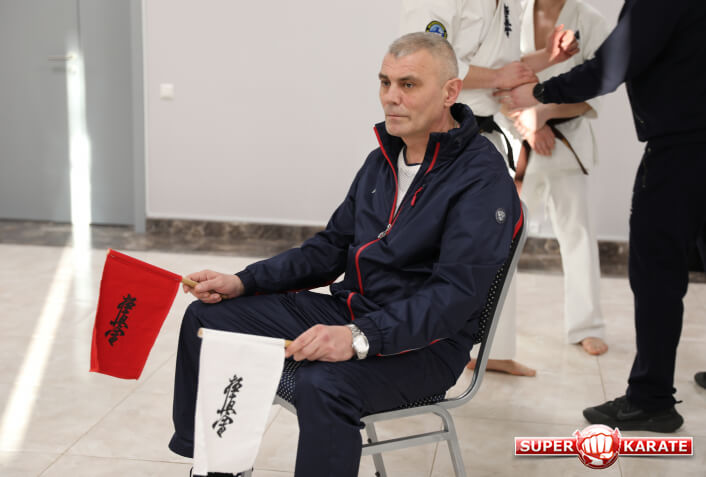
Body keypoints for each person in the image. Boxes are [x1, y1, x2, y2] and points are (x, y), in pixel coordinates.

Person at [169, 32, 522, 476]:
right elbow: (330, 247)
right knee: (207, 319)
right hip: (353, 311)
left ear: (450, 92)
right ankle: (214, 466)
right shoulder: (382, 161)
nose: (391, 97)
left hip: (428, 345)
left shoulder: (481, 177)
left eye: (408, 85)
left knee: (324, 383)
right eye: (385, 82)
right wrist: (243, 281)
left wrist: (358, 337)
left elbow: (454, 297)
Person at [499, 0, 706, 432]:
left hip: (682, 148)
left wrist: (540, 95)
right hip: (690, 139)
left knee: (655, 272)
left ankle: (651, 400)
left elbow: (611, 67)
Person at [399, 0, 577, 376]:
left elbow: (503, 66)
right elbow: (423, 62)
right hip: (437, 133)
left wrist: (547, 57)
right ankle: (400, 347)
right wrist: (497, 78)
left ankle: (491, 350)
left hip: (484, 137)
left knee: (496, 243)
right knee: (421, 248)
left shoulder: (509, 3)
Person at [506, 0, 611, 355]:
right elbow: (498, 77)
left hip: (568, 141)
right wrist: (528, 125)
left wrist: (545, 113)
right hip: (517, 140)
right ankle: (488, 323)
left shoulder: (589, 20)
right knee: (501, 237)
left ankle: (587, 325)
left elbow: (600, 86)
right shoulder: (513, 12)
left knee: (578, 233)